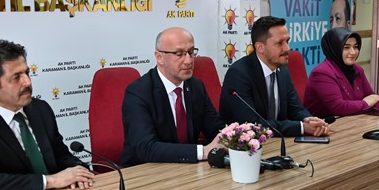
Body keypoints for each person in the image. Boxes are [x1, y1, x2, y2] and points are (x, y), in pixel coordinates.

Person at [0, 40, 95, 190]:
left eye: (27, 73)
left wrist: (79, 170)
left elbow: (60, 154)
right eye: (16, 77)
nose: (27, 82)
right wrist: (50, 181)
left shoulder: (41, 109)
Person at [121, 27, 225, 167]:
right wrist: (203, 151)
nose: (188, 60)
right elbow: (146, 148)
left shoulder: (196, 86)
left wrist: (236, 136)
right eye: (179, 54)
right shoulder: (138, 92)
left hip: (186, 169)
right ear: (159, 57)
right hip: (145, 171)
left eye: (191, 52)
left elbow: (215, 128)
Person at [219, 16, 329, 137]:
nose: (287, 48)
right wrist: (302, 127)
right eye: (279, 43)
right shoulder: (239, 74)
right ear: (260, 47)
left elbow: (295, 108)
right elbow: (251, 124)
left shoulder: (282, 70)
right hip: (245, 144)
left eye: (287, 41)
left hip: (277, 141)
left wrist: (311, 121)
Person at [304, 27, 379, 118]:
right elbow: (338, 107)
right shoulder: (321, 73)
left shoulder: (357, 69)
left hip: (351, 122)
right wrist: (365, 103)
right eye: (346, 47)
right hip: (323, 127)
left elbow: (371, 96)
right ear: (334, 49)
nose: (353, 52)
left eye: (355, 47)